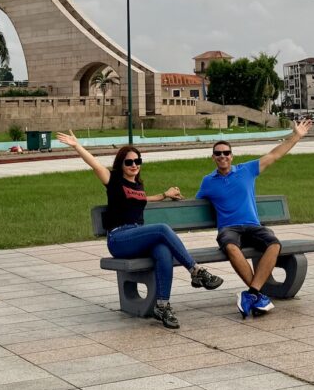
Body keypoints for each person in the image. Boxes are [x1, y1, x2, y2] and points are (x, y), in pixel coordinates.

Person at [57, 130, 223, 329]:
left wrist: (164, 194)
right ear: (121, 164)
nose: (134, 165)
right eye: (129, 162)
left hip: (136, 236)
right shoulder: (113, 181)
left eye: (137, 161)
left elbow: (142, 199)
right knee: (162, 229)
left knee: (163, 251)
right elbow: (94, 163)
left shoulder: (137, 186)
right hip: (119, 238)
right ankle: (196, 270)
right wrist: (77, 146)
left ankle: (162, 305)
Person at [196, 118, 312, 319]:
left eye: (226, 153)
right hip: (229, 229)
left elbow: (275, 154)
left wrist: (296, 136)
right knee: (231, 247)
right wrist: (169, 195)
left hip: (252, 226)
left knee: (274, 244)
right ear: (213, 157)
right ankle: (258, 295)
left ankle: (252, 293)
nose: (222, 156)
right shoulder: (208, 182)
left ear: (232, 156)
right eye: (218, 153)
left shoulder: (247, 170)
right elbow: (195, 203)